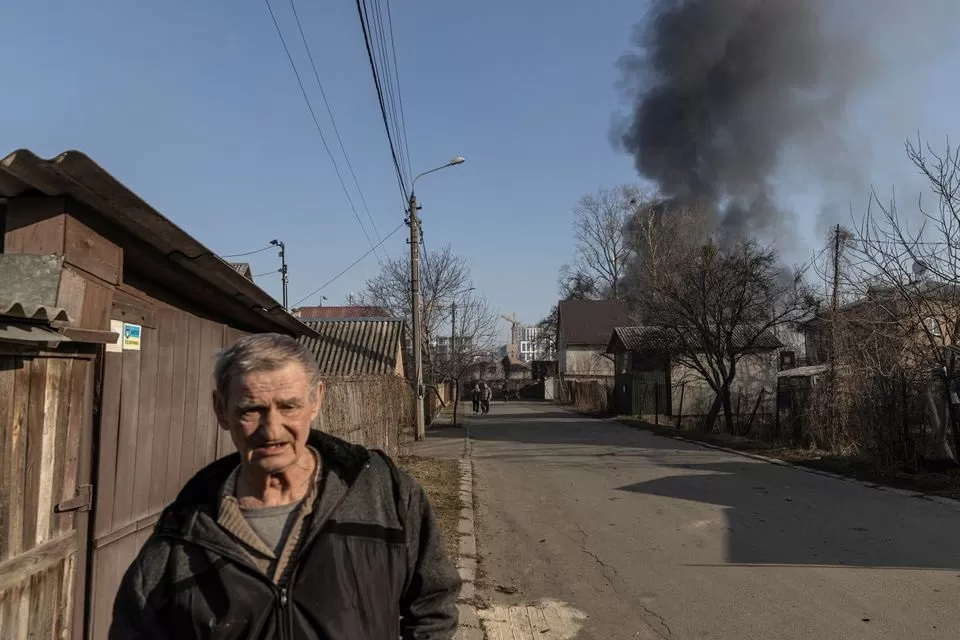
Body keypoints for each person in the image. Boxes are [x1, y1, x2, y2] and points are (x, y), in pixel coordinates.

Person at [109, 333, 460, 639]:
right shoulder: (184, 531)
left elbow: (433, 602)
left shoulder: (385, 494)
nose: (272, 430)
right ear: (221, 409)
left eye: (289, 407)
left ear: (316, 400)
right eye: (252, 410)